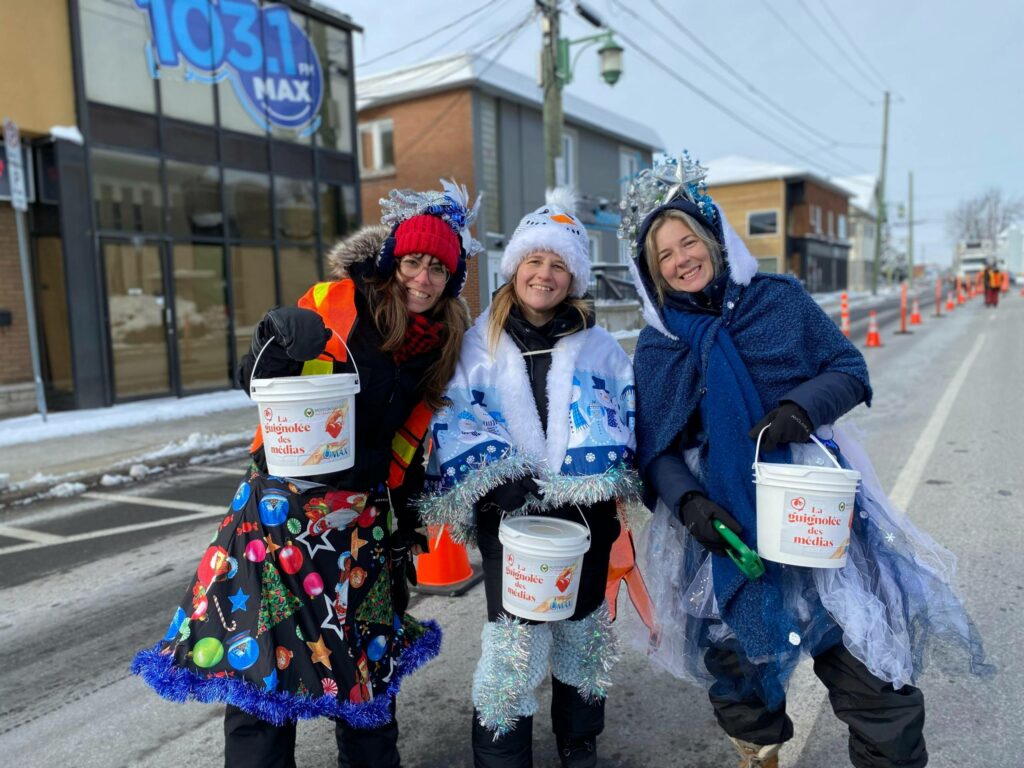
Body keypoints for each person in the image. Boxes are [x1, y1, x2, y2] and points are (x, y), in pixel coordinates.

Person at [620, 155, 991, 768]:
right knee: (737, 669)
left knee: (867, 669)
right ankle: (758, 754)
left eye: (689, 240)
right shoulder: (660, 343)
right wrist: (689, 503)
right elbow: (654, 447)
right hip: (726, 525)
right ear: (652, 271)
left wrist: (799, 407)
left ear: (713, 239)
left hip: (809, 510)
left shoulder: (778, 301)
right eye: (664, 255)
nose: (681, 258)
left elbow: (848, 369)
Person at [132, 180, 479, 768]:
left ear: (452, 281)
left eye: (438, 270)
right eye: (414, 262)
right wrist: (275, 342)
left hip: (359, 525)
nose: (422, 279)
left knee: (364, 682)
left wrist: (407, 527)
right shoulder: (336, 304)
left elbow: (409, 442)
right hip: (278, 516)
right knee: (264, 682)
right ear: (393, 260)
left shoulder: (441, 344)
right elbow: (256, 381)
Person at [419, 189, 639, 768]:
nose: (545, 273)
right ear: (514, 267)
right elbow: (456, 415)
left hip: (584, 516)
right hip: (509, 519)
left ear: (574, 277)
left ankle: (579, 740)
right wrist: (494, 482)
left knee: (582, 631)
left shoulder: (601, 348)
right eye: (535, 260)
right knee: (514, 641)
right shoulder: (477, 345)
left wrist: (604, 478)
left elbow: (627, 412)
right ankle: (501, 752)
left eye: (559, 264)